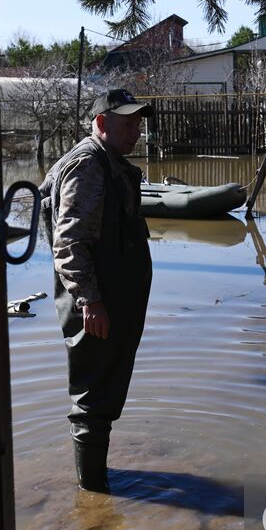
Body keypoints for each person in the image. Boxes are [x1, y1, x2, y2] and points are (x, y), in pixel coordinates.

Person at [39, 88, 155, 492]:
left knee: (103, 395)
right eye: (128, 123)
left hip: (110, 301)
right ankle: (92, 494)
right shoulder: (88, 166)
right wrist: (91, 301)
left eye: (139, 123)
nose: (136, 131)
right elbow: (69, 244)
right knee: (92, 400)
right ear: (102, 123)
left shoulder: (110, 164)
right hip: (96, 305)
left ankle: (96, 483)